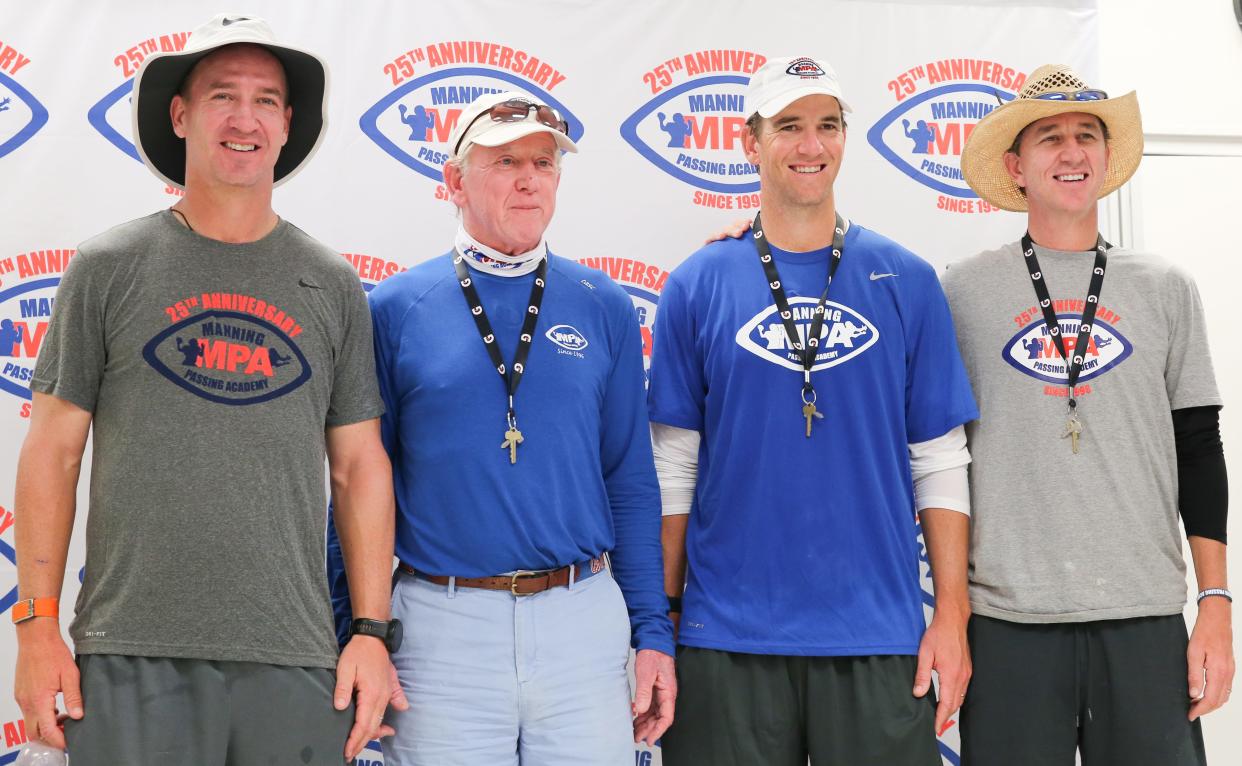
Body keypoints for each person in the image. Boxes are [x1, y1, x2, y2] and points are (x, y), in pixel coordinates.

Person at [12, 14, 405, 765]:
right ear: (181, 115)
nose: (243, 118)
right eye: (223, 95)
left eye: (265, 100)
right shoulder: (108, 266)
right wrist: (35, 628)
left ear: (288, 126)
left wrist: (371, 631)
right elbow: (53, 453)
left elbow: (359, 467)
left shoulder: (330, 283)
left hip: (294, 658)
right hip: (129, 652)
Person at [330, 91, 676, 765]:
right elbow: (356, 482)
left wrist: (653, 633)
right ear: (454, 181)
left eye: (544, 163)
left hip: (582, 616)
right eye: (506, 160)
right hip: (441, 624)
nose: (529, 178)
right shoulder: (396, 308)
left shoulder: (602, 304)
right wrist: (352, 630)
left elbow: (629, 479)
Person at [649, 55, 978, 764]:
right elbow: (674, 467)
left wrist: (951, 612)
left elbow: (941, 458)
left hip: (878, 634)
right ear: (749, 142)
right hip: (724, 637)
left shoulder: (908, 281)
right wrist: (661, 618)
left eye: (828, 125)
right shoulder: (698, 283)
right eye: (790, 126)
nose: (811, 145)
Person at [948, 63, 1233, 765]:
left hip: (1144, 617)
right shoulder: (961, 291)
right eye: (1050, 138)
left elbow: (1199, 447)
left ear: (1107, 159)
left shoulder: (1166, 288)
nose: (1072, 152)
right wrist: (756, 240)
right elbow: (935, 453)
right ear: (1015, 166)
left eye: (1086, 135)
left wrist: (1217, 603)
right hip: (1009, 622)